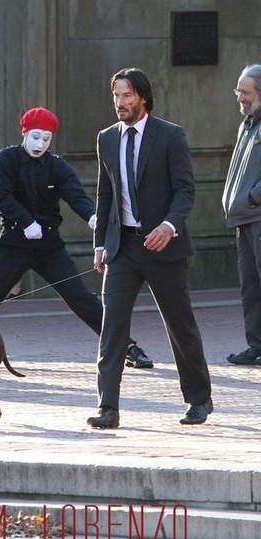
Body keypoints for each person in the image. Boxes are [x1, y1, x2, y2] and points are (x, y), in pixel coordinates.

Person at [0, 107, 152, 368]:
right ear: (24, 134)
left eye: (46, 139)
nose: (40, 144)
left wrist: (93, 217)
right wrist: (26, 222)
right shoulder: (6, 159)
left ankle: (126, 346)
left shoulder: (57, 165)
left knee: (82, 299)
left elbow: (76, 195)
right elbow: (2, 196)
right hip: (13, 244)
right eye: (35, 137)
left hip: (49, 248)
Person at [86, 68, 213, 429]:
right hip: (122, 248)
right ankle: (108, 407)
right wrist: (100, 244)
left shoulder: (170, 135)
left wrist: (169, 226)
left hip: (163, 247)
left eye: (126, 96)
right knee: (112, 328)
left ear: (142, 97)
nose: (120, 103)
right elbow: (105, 194)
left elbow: (185, 190)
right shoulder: (107, 138)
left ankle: (199, 400)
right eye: (116, 96)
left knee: (180, 325)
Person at [223, 64, 261, 365]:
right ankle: (256, 346)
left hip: (257, 215)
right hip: (244, 219)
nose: (240, 98)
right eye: (238, 91)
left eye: (245, 92)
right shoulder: (247, 124)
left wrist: (252, 197)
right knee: (250, 287)